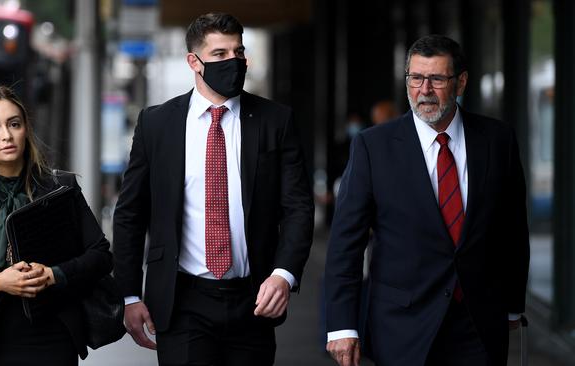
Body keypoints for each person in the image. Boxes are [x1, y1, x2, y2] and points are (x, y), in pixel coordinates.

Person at [113, 12, 314, 366]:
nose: (233, 62)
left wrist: (284, 274)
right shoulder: (156, 124)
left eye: (238, 52)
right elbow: (131, 213)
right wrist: (129, 294)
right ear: (194, 61)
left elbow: (297, 206)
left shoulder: (275, 120)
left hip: (252, 299)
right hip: (182, 300)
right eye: (220, 54)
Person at [324, 35, 530, 366]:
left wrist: (512, 303)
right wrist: (340, 326)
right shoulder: (372, 147)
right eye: (416, 78)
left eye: (437, 79)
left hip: (478, 323)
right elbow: (346, 242)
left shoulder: (497, 140)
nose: (424, 90)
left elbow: (512, 228)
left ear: (460, 82)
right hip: (402, 325)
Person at [0, 85, 113, 366]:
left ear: (25, 130)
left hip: (53, 335)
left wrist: (54, 274)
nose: (6, 135)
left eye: (14, 124)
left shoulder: (59, 188)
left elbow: (101, 255)